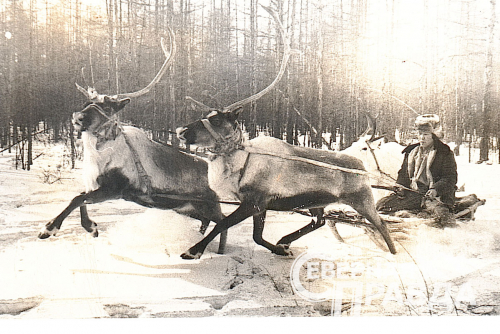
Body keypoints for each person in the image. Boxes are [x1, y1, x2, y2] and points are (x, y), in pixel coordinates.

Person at [376, 114, 457, 226]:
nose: (422, 138)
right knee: (381, 205)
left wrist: (435, 189)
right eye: (420, 134)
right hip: (414, 195)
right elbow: (403, 175)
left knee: (439, 215)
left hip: (438, 196)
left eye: (426, 134)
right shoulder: (411, 152)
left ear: (434, 136)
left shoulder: (444, 152)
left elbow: (450, 178)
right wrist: (400, 186)